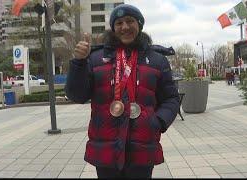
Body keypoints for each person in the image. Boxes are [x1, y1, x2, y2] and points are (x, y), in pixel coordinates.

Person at [65, 4, 179, 178]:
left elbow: (171, 98)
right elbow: (77, 95)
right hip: (105, 148)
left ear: (139, 25)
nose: (124, 27)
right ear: (113, 28)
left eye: (130, 21)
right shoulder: (95, 58)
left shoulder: (158, 60)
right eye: (119, 23)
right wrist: (79, 63)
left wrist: (157, 122)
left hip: (143, 147)